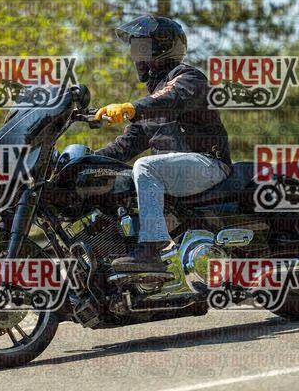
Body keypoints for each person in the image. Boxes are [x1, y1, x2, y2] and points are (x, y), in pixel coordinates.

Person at [95, 15, 232, 273]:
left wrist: (131, 108)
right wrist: (83, 160)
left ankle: (151, 248)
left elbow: (171, 98)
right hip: (177, 173)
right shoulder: (152, 101)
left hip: (209, 165)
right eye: (135, 49)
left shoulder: (189, 78)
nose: (136, 56)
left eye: (142, 48)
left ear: (162, 48)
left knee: (145, 166)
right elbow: (124, 146)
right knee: (112, 177)